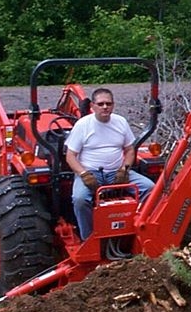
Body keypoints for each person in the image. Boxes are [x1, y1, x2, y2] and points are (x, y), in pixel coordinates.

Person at [65, 88, 154, 240]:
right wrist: (84, 174)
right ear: (93, 106)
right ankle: (89, 238)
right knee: (80, 199)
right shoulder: (83, 125)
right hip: (90, 173)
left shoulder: (121, 122)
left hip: (116, 172)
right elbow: (70, 156)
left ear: (113, 105)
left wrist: (124, 169)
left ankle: (139, 226)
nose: (105, 107)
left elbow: (130, 150)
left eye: (108, 103)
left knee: (150, 189)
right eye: (101, 104)